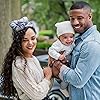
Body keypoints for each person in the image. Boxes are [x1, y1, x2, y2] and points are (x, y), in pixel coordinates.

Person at [49, 1, 100, 100]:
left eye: (79, 18)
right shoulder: (76, 40)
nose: (75, 22)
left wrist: (58, 65)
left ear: (90, 17)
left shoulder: (92, 43)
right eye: (72, 19)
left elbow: (78, 80)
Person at [1, 17, 52, 100]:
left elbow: (43, 88)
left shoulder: (33, 58)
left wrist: (50, 74)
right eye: (25, 40)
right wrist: (47, 78)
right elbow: (36, 95)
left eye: (33, 38)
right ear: (18, 42)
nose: (30, 43)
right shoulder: (19, 64)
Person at [48, 21, 75, 89]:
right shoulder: (58, 44)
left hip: (66, 62)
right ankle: (63, 82)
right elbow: (51, 50)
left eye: (71, 37)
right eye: (65, 37)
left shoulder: (72, 44)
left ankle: (64, 81)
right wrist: (58, 56)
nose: (69, 40)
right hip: (59, 63)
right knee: (61, 73)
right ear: (59, 37)